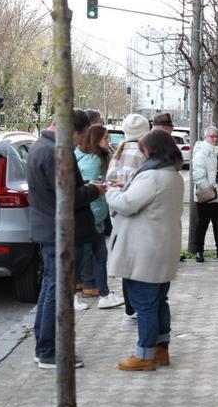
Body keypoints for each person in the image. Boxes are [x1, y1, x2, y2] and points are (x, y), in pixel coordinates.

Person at [28, 110, 105, 370]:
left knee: (51, 288)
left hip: (50, 230)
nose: (77, 143)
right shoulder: (56, 153)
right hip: (59, 232)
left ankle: (45, 346)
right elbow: (68, 196)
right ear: (72, 130)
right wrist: (95, 189)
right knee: (57, 292)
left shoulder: (42, 146)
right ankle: (50, 350)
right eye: (79, 137)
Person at [107, 130, 184, 371]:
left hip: (145, 252)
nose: (141, 155)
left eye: (142, 151)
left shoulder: (151, 176)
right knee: (159, 301)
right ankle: (161, 349)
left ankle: (144, 355)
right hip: (162, 248)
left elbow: (127, 204)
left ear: (151, 151)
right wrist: (127, 187)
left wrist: (110, 191)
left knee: (145, 304)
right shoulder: (172, 175)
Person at [105, 114, 149, 322]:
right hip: (139, 215)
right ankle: (140, 306)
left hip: (119, 215)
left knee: (126, 264)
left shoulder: (118, 152)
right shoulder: (145, 154)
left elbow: (109, 182)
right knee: (140, 265)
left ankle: (129, 308)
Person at [76, 124, 123, 308]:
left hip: (93, 219)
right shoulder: (92, 160)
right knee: (86, 258)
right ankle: (73, 297)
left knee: (100, 256)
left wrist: (109, 184)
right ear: (96, 140)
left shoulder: (92, 157)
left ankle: (104, 294)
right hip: (91, 219)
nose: (109, 141)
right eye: (105, 137)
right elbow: (91, 190)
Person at [190, 125, 218, 261]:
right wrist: (209, 190)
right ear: (205, 137)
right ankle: (199, 251)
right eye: (212, 136)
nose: (215, 139)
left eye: (217, 136)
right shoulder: (200, 153)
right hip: (206, 196)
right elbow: (198, 175)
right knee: (202, 224)